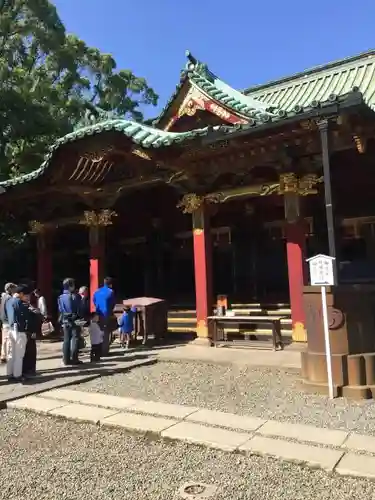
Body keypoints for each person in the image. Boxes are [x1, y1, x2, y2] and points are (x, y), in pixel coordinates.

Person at [6, 284, 30, 381]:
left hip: (10, 328)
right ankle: (17, 375)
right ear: (21, 294)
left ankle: (9, 373)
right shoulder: (20, 302)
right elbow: (25, 316)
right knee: (19, 354)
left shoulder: (8, 301)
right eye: (25, 295)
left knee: (11, 353)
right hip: (19, 330)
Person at [58, 278, 82, 366]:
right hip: (74, 318)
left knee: (66, 340)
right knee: (75, 338)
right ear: (71, 286)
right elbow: (78, 309)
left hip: (65, 319)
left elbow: (60, 309)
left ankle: (66, 359)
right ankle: (74, 358)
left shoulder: (60, 297)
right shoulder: (75, 296)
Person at [93, 277, 115, 356]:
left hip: (98, 313)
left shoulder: (97, 291)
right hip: (106, 314)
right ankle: (104, 351)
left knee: (98, 332)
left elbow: (94, 301)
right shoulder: (111, 292)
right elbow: (113, 303)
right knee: (105, 332)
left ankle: (97, 350)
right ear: (110, 284)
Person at [0, 282, 17, 363]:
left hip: (3, 320)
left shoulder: (3, 297)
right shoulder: (9, 298)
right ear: (10, 289)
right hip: (8, 321)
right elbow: (10, 311)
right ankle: (8, 356)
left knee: (4, 339)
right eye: (13, 288)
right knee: (9, 340)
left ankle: (3, 354)